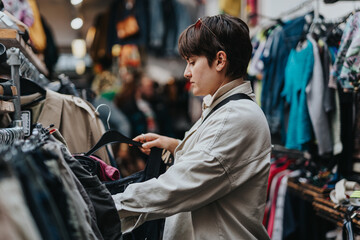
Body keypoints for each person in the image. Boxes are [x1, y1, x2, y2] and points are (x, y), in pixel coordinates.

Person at [112, 14, 271, 240]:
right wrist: (176, 147)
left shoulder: (234, 116)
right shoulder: (222, 108)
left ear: (219, 60)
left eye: (192, 61)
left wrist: (109, 205)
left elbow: (179, 186)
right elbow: (214, 167)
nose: (186, 72)